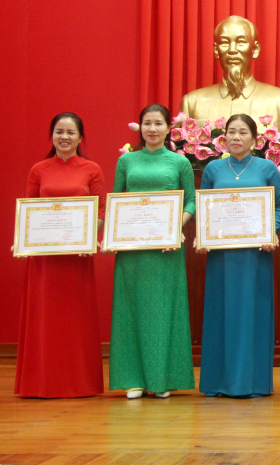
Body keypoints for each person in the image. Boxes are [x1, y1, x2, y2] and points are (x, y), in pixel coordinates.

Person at [14, 113, 106, 398]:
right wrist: (21, 240)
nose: (64, 137)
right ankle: (40, 383)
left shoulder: (91, 169)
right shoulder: (38, 169)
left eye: (70, 132)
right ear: (52, 135)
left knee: (75, 320)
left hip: (76, 257)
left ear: (80, 137)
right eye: (59, 131)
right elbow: (28, 210)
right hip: (44, 259)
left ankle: (80, 383)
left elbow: (102, 212)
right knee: (45, 319)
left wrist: (87, 234)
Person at [109, 104, 196, 399]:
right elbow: (116, 200)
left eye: (158, 123)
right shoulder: (127, 161)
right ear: (140, 127)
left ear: (168, 129)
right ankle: (133, 379)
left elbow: (191, 203)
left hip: (166, 248)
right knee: (130, 310)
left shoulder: (179, 162)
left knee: (164, 311)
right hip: (132, 249)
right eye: (147, 123)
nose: (153, 129)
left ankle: (163, 378)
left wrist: (176, 227)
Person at [195, 114, 280, 397]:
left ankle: (253, 382)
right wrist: (202, 234)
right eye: (231, 132)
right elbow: (203, 208)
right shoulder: (212, 169)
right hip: (221, 257)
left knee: (252, 314)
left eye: (242, 132)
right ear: (223, 138)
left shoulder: (268, 168)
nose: (236, 137)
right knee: (221, 314)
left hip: (255, 256)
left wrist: (271, 232)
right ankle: (218, 382)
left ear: (254, 139)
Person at [179, 16, 280, 130]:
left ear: (255, 50)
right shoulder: (192, 102)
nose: (232, 50)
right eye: (225, 42)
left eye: (241, 42)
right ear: (216, 50)